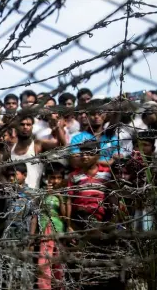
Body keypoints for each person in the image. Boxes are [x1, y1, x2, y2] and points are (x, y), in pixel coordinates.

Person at [8, 111, 67, 189]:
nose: (25, 127)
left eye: (28, 124)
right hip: (13, 196)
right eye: (22, 124)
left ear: (32, 127)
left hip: (34, 195)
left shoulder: (37, 145)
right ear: (16, 127)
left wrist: (57, 125)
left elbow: (61, 145)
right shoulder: (10, 148)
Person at [66, 141, 115, 232]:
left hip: (101, 218)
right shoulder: (74, 175)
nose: (84, 157)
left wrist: (112, 220)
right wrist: (69, 225)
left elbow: (113, 197)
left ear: (97, 156)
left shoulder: (107, 174)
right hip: (79, 218)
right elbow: (69, 200)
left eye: (89, 154)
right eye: (82, 154)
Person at [32, 162, 67, 290]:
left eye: (58, 178)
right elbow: (35, 214)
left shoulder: (65, 194)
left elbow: (64, 215)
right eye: (52, 177)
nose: (55, 180)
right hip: (45, 231)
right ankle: (44, 287)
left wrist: (59, 196)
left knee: (58, 264)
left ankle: (59, 286)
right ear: (47, 178)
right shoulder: (41, 194)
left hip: (59, 231)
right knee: (44, 262)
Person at [69, 99, 120, 167]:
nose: (96, 116)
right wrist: (108, 162)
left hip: (108, 175)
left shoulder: (112, 137)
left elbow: (118, 158)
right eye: (93, 114)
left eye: (99, 113)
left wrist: (90, 160)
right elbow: (75, 162)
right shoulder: (77, 138)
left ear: (105, 114)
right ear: (87, 116)